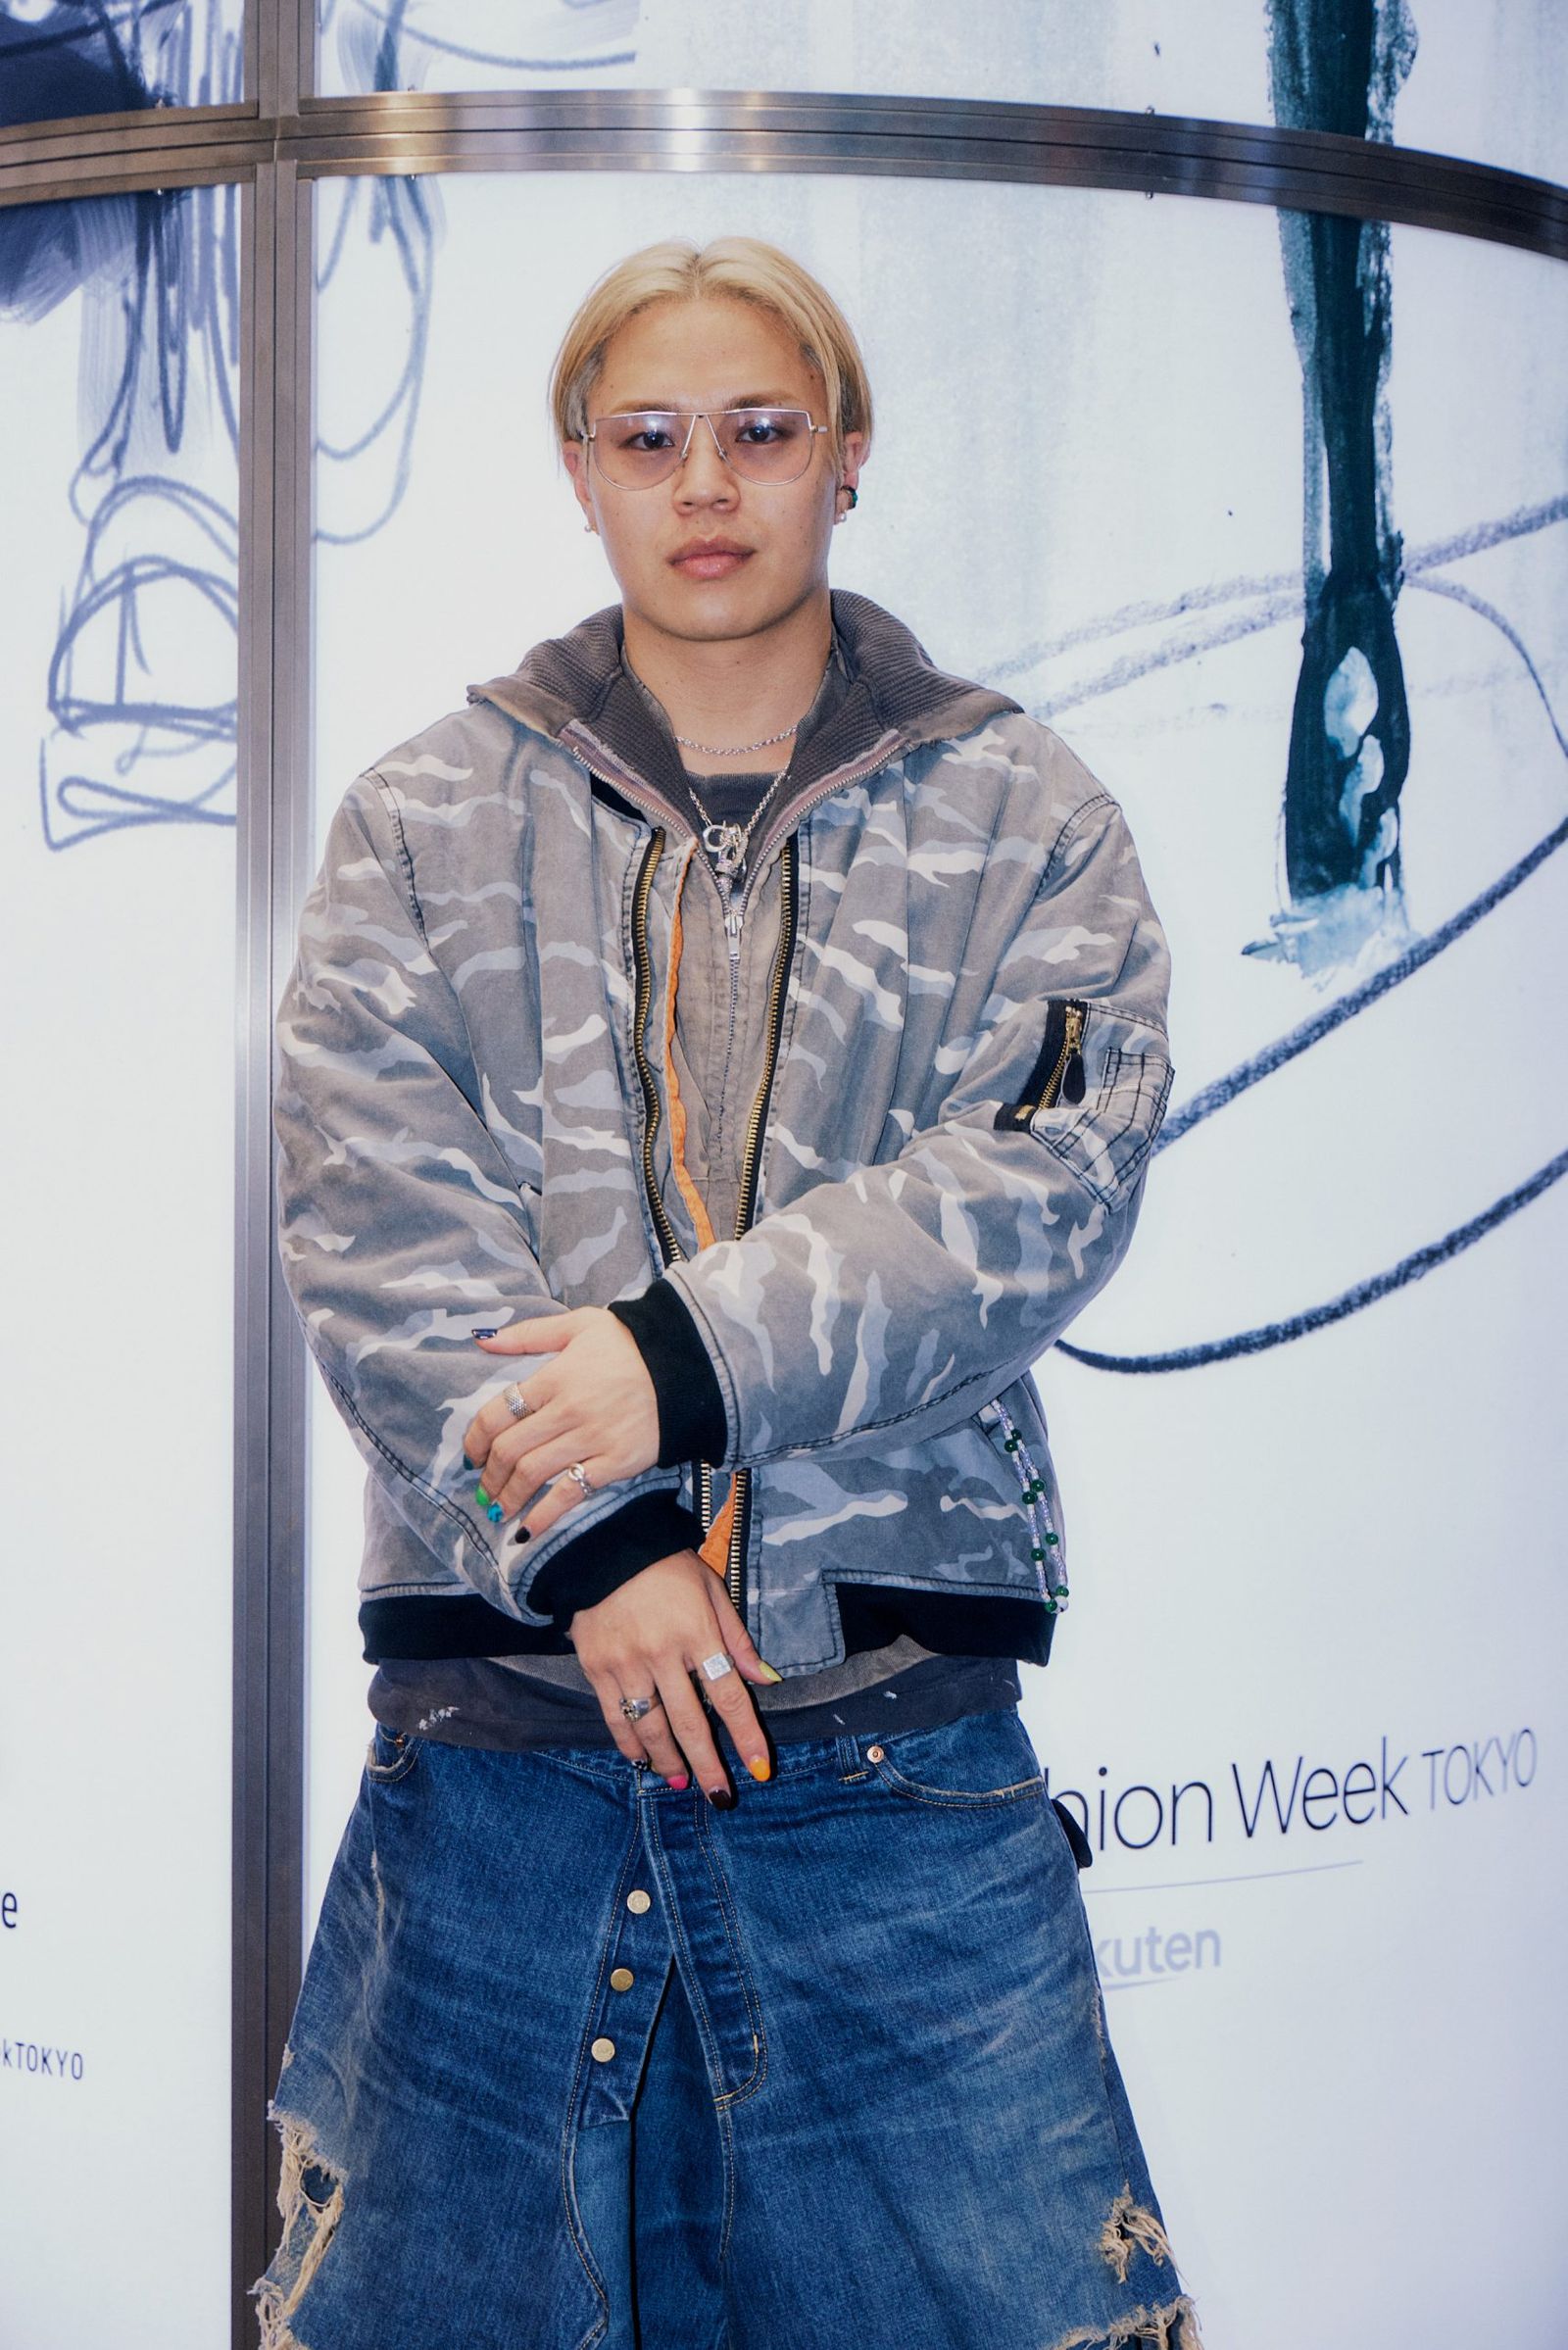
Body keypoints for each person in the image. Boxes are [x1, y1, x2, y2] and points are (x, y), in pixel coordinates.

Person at [257, 234, 1201, 2350]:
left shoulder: (1024, 812)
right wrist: (595, 1540)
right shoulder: (420, 816)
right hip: (497, 1778)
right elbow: (371, 1210)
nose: (706, 484)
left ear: (846, 454)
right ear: (580, 470)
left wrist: (666, 1367)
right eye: (651, 437)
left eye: (761, 431)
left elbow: (1043, 1175)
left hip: (891, 1777)